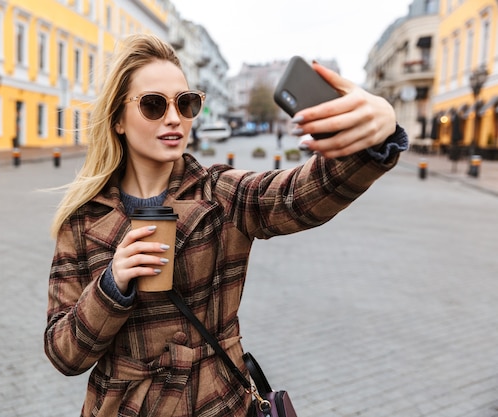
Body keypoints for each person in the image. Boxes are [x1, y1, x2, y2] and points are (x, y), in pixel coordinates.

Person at [44, 33, 408, 417]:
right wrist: (111, 286)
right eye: (153, 104)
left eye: (186, 104)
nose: (174, 118)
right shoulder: (83, 220)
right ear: (118, 119)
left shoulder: (221, 194)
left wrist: (376, 136)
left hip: (215, 404)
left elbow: (299, 195)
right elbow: (63, 354)